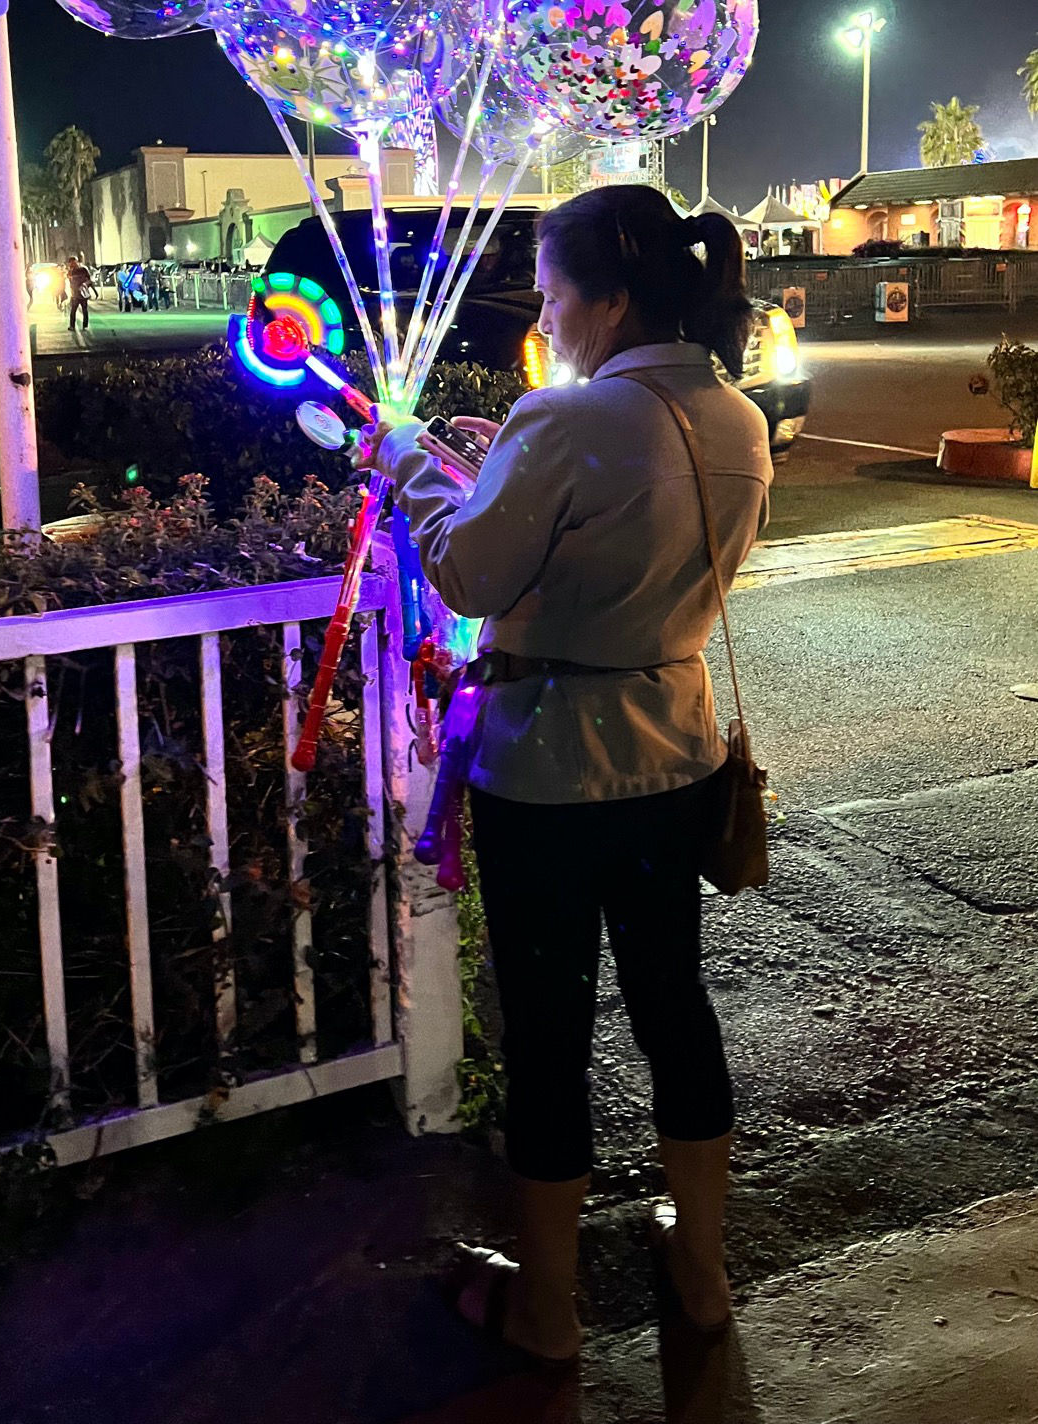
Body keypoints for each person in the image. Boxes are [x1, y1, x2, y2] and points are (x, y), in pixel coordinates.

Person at [359, 184, 773, 1363]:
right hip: (676, 754)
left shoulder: (568, 417)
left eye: (550, 292)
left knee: (549, 1032)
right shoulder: (736, 419)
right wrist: (506, 470)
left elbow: (472, 575)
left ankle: (545, 1309)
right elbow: (618, 528)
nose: (545, 314)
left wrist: (412, 469)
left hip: (549, 771)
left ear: (610, 296)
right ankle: (700, 1271)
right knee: (674, 1007)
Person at [66, 254, 92, 332]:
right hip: (75, 294)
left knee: (84, 310)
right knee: (73, 310)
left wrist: (84, 285)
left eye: (73, 262)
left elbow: (89, 280)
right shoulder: (71, 271)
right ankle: (72, 326)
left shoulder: (83, 269)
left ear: (76, 262)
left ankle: (85, 325)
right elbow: (70, 282)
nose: (72, 264)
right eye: (70, 263)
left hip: (83, 294)